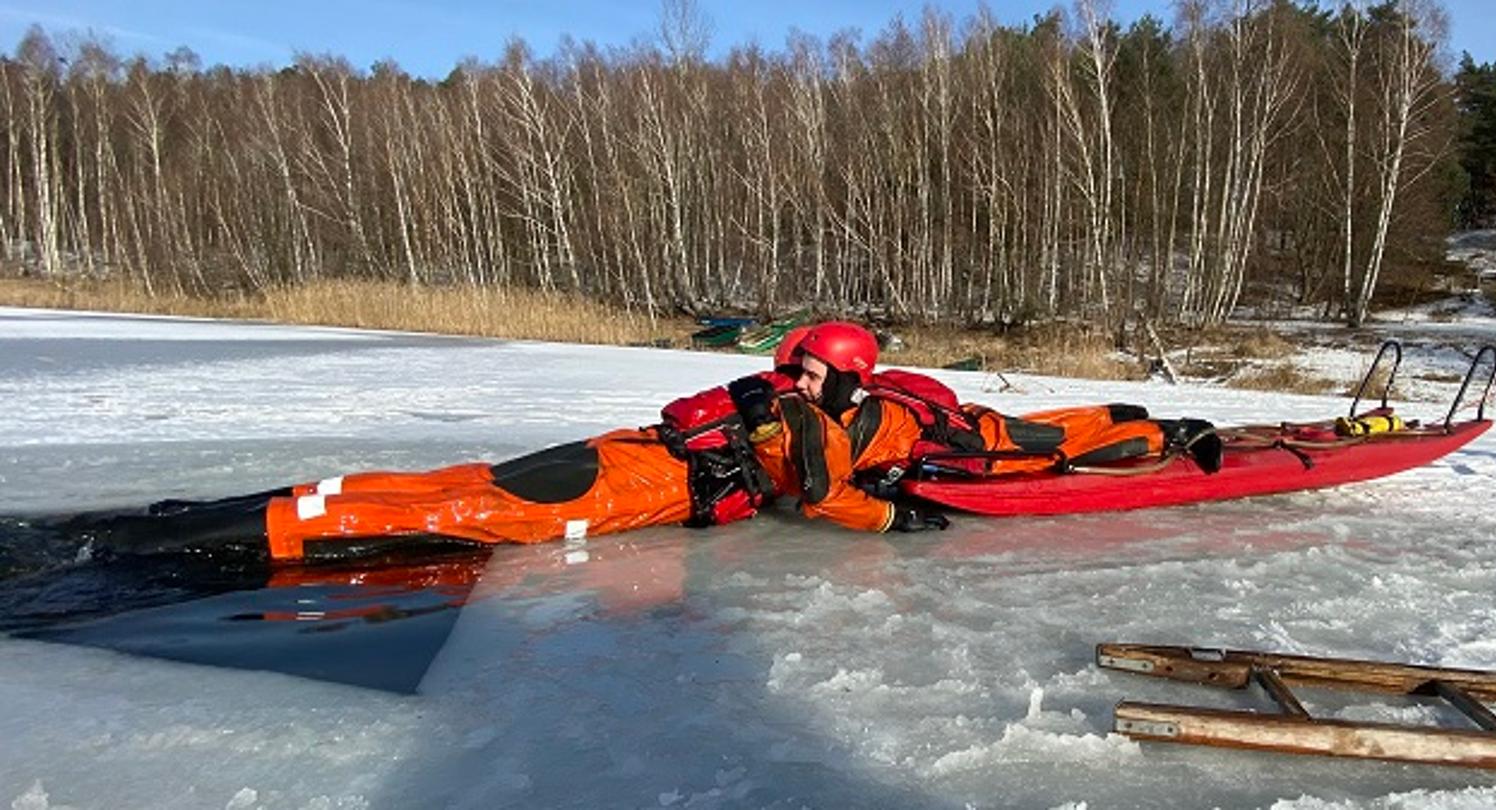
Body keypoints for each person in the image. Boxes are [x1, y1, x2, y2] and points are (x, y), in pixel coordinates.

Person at [75, 371, 799, 564]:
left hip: (602, 456)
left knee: (439, 487)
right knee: (440, 510)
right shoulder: (788, 417)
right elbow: (818, 489)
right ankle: (171, 538)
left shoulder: (761, 396)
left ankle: (200, 514)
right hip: (608, 483)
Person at [734, 321, 1222, 533]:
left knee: (1054, 448)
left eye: (807, 375)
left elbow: (830, 483)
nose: (796, 385)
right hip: (960, 427)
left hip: (965, 444)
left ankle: (1173, 433)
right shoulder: (833, 403)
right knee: (1041, 431)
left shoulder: (870, 414)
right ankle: (1113, 413)